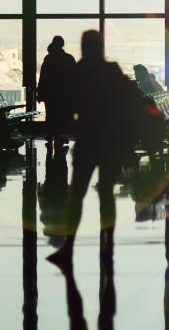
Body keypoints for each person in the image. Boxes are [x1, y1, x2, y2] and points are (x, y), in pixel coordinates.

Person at [47, 29, 145, 269]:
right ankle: (108, 245)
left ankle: (69, 246)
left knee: (77, 195)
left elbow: (69, 103)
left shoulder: (78, 71)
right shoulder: (112, 71)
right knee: (106, 194)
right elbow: (129, 99)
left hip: (87, 138)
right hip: (110, 139)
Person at [36, 35, 77, 145]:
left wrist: (40, 93)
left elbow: (43, 77)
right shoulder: (69, 59)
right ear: (62, 45)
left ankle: (50, 136)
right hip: (65, 95)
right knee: (63, 116)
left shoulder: (48, 58)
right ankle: (61, 137)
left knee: (50, 116)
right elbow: (75, 78)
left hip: (51, 94)